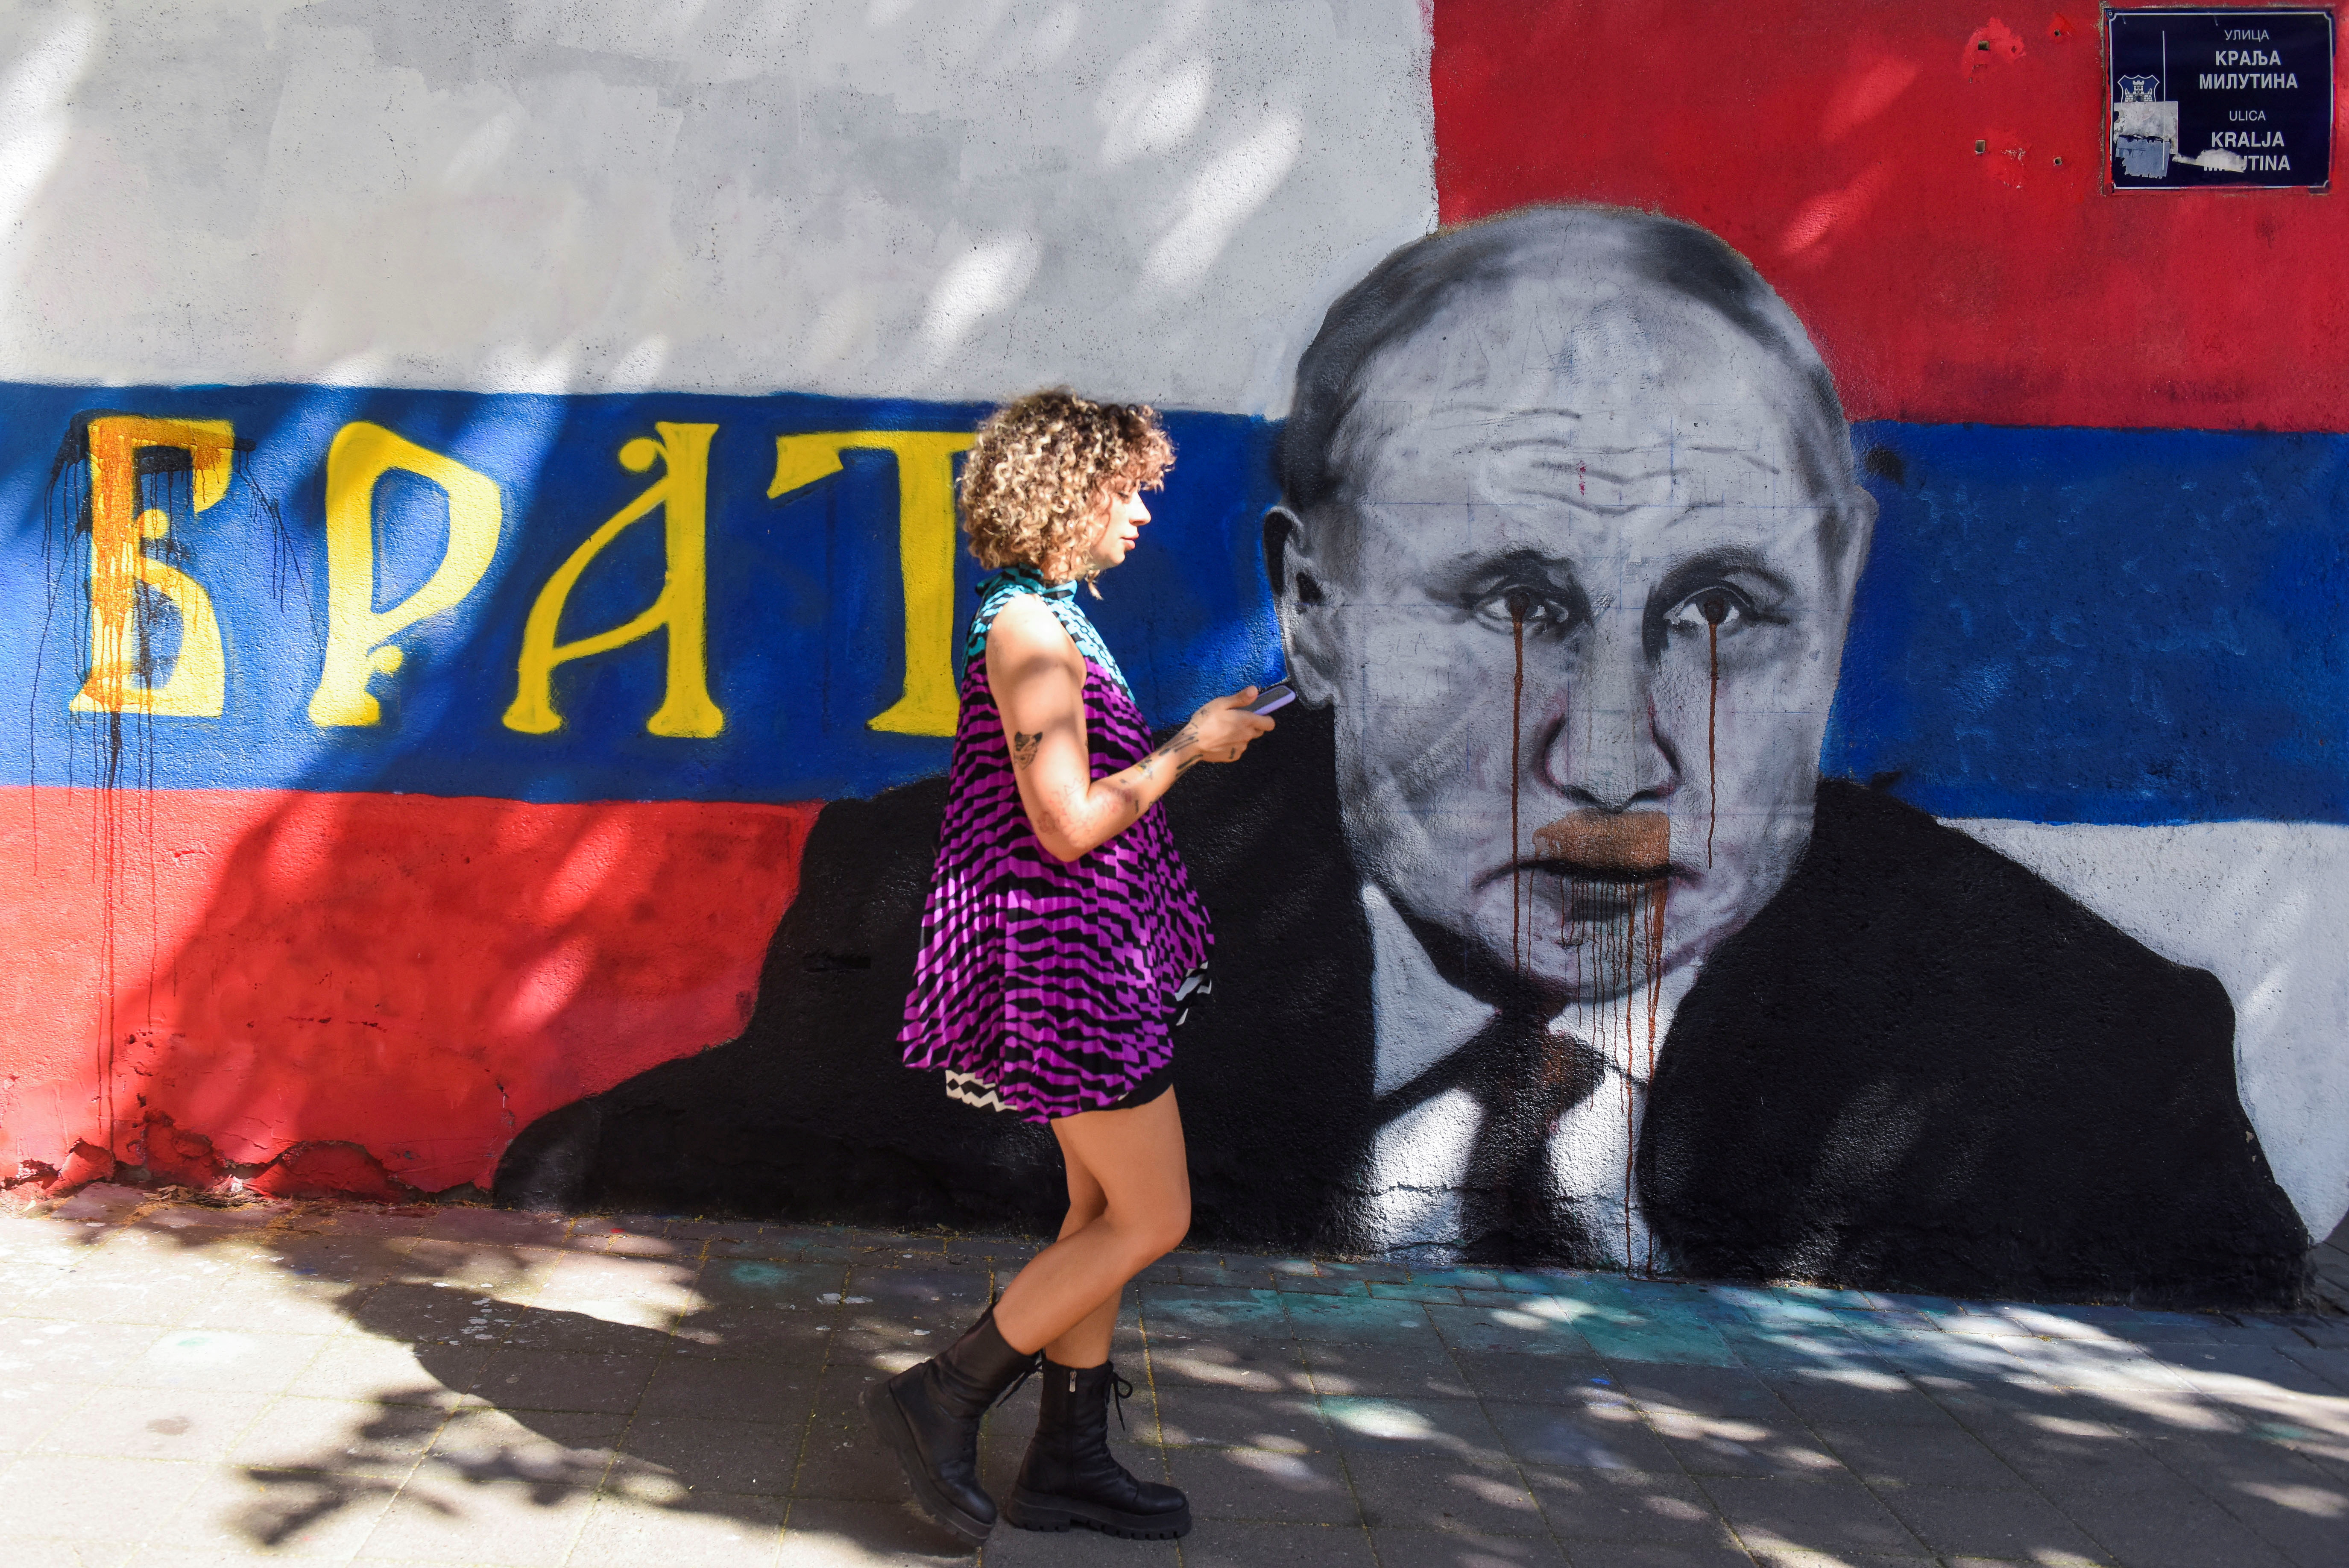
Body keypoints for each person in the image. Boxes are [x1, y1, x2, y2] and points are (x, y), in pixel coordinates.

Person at [497, 206, 2308, 1308]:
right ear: (1316, 610)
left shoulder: (2085, 1053)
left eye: (1724, 614)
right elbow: (625, 1176)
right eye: (1516, 600)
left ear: (1837, 612)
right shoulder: (925, 901)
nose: (1613, 755)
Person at [861, 391, 1270, 1545]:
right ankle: (938, 1393)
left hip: (1090, 958)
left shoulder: (1050, 617)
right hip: (1064, 970)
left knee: (1098, 1206)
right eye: (1124, 491)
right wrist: (1189, 747)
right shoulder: (1028, 635)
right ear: (1062, 498)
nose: (1141, 514)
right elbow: (1064, 825)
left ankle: (1070, 1460)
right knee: (1153, 1215)